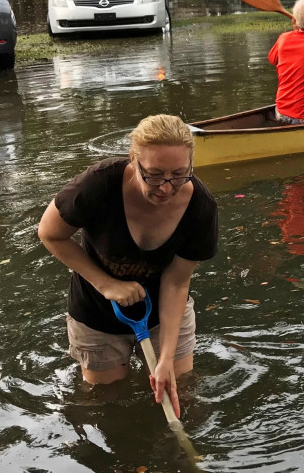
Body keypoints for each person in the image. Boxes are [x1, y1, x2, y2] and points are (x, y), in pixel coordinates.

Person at [37, 114, 217, 417]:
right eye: (154, 175)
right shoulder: (97, 184)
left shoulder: (201, 207)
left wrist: (165, 359)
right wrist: (107, 284)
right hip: (96, 310)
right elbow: (50, 234)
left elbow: (176, 283)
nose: (166, 188)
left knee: (180, 391)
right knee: (106, 402)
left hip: (164, 312)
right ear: (133, 160)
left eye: (179, 174)